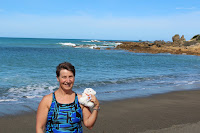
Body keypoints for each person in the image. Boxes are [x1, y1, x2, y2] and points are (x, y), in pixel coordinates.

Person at [36, 62, 100, 133]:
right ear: (58, 78)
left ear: (74, 78)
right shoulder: (48, 100)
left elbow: (89, 125)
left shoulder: (80, 99)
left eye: (70, 77)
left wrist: (96, 106)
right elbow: (40, 128)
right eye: (64, 77)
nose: (68, 81)